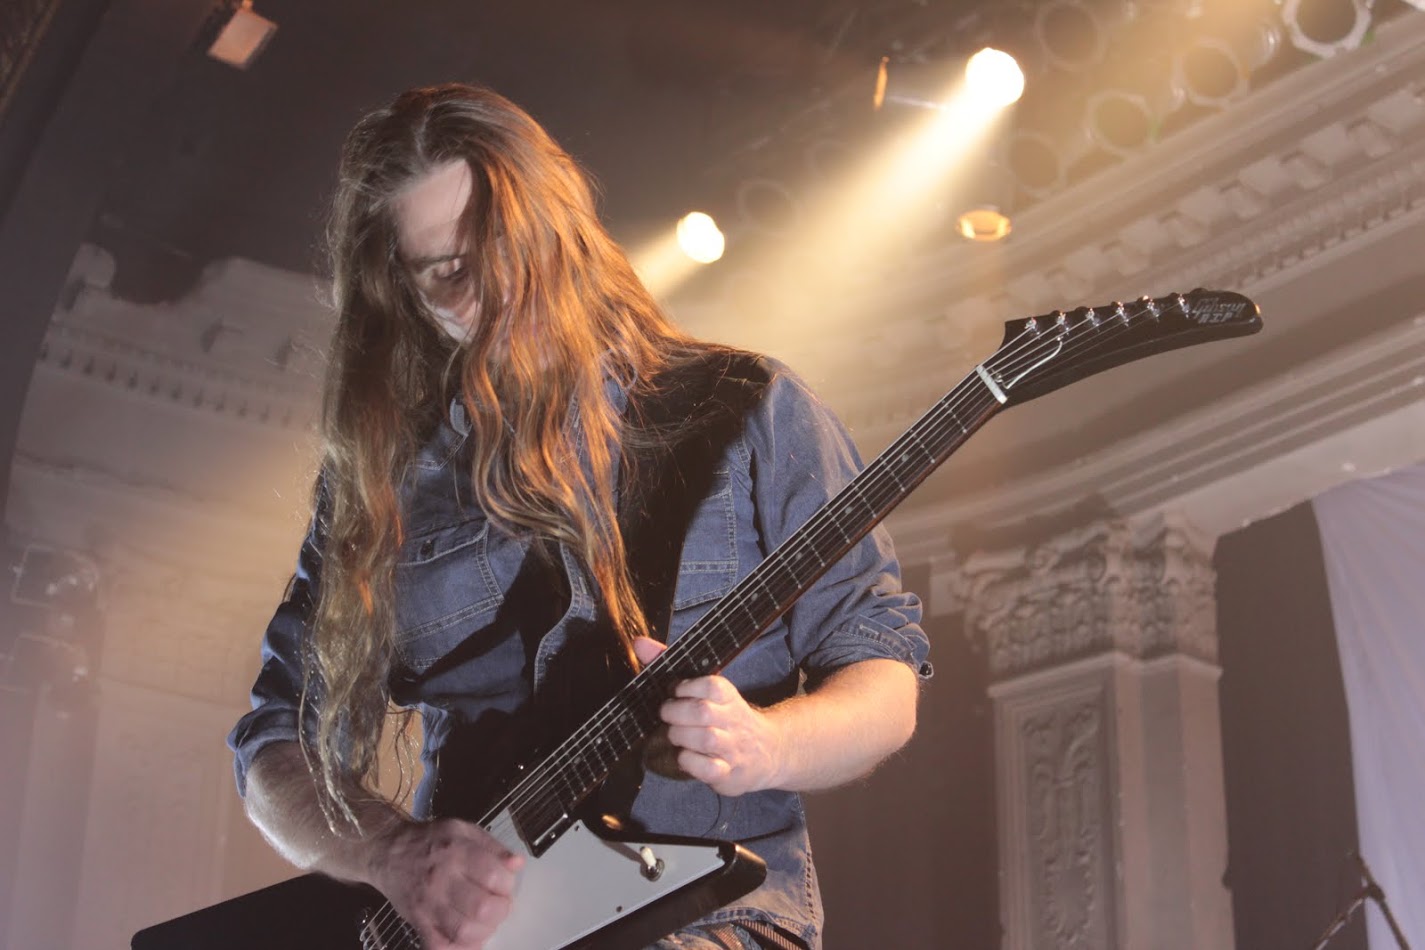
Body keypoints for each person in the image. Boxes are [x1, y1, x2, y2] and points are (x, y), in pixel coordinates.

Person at [227, 83, 929, 950]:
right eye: (447, 272)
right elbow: (274, 747)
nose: (493, 290)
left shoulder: (748, 408)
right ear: (399, 291)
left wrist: (765, 744)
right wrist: (392, 854)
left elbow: (881, 675)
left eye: (504, 247)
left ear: (560, 227)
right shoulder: (382, 484)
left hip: (714, 919)